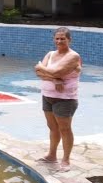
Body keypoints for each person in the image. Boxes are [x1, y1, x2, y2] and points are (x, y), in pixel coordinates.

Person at [35, 27, 82, 171]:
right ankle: (52, 155)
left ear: (69, 40)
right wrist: (55, 80)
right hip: (48, 96)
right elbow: (38, 73)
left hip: (65, 99)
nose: (59, 41)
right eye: (57, 38)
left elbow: (56, 71)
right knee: (52, 127)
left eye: (63, 38)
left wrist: (41, 67)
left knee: (65, 129)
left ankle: (66, 160)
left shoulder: (73, 56)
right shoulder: (50, 54)